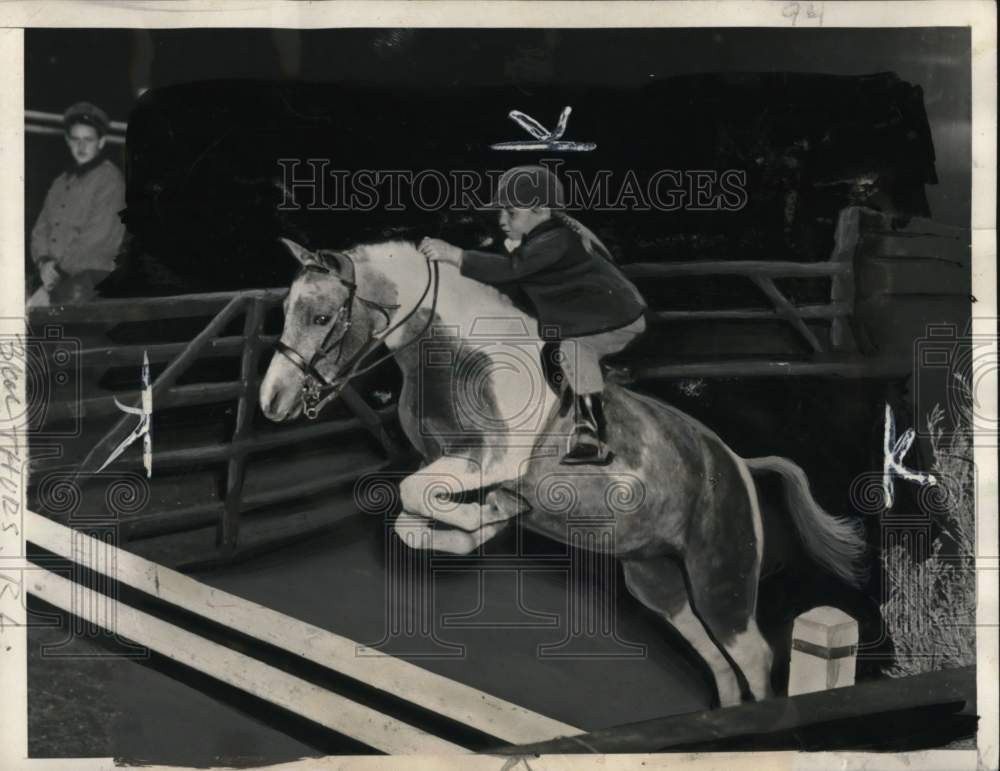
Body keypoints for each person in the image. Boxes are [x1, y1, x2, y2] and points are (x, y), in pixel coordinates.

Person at [419, 165, 647, 465]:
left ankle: (590, 436)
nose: (502, 221)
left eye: (511, 213)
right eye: (502, 213)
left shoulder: (556, 240)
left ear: (540, 210)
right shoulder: (540, 239)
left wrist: (455, 255)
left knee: (575, 349)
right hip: (588, 318)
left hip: (617, 321)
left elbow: (512, 269)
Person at [29, 102, 126, 307]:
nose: (81, 147)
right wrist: (43, 262)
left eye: (88, 140)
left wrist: (53, 282)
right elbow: (41, 229)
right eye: (75, 139)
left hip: (91, 285)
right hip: (54, 281)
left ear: (101, 142)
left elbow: (97, 240)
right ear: (67, 141)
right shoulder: (61, 181)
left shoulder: (110, 180)